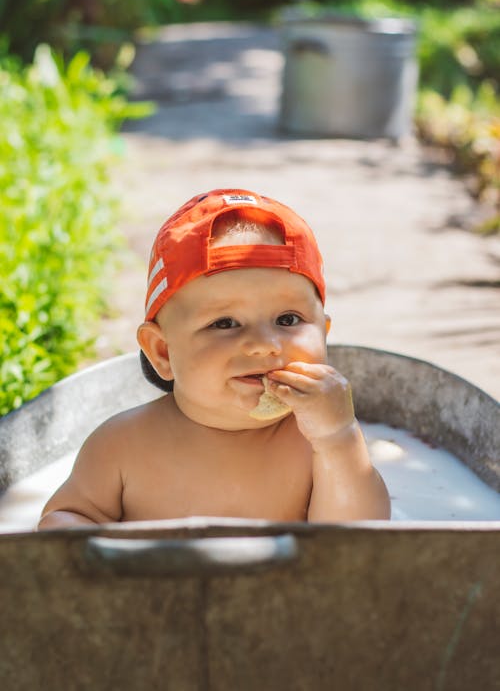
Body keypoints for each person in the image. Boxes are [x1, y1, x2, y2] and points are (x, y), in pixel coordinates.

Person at [38, 189, 390, 529]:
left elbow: (358, 542)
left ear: (324, 333)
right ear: (162, 352)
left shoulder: (316, 444)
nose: (264, 345)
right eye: (225, 323)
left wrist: (339, 437)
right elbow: (67, 519)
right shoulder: (122, 445)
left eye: (288, 320)